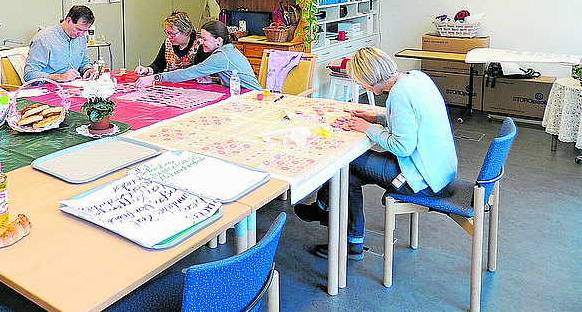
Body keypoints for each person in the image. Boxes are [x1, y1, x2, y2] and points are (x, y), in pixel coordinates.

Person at [294, 46, 457, 260]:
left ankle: (327, 212)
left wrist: (367, 128)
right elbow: (410, 121)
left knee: (343, 163)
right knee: (348, 174)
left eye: (360, 81)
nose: (361, 86)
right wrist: (376, 119)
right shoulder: (416, 78)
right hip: (439, 168)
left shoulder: (398, 94)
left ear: (370, 78)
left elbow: (402, 146)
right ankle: (344, 233)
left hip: (421, 180)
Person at [135, 19, 261, 91]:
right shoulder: (226, 51)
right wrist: (213, 80)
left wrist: (154, 78)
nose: (201, 42)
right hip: (244, 93)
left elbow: (192, 72)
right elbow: (234, 77)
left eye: (205, 39)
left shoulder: (222, 56)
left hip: (252, 96)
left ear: (218, 41)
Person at [23, 5, 99, 82]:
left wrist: (87, 70)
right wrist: (60, 77)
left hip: (72, 88)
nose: (81, 34)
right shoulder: (44, 39)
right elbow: (29, 74)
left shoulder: (81, 37)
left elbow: (84, 62)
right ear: (68, 21)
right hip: (47, 89)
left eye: (85, 31)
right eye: (78, 29)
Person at [135, 11, 211, 80]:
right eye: (168, 33)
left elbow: (198, 73)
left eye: (173, 34)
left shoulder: (200, 45)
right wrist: (147, 70)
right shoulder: (168, 43)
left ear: (185, 32)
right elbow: (158, 65)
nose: (169, 37)